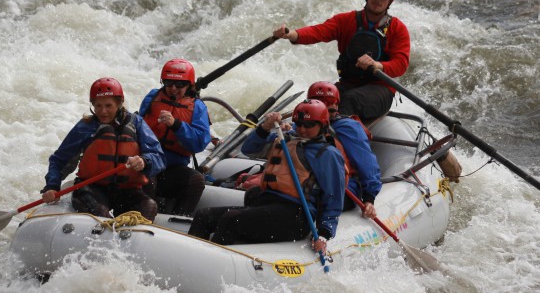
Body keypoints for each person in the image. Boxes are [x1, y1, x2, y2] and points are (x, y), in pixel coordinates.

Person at [187, 100, 345, 253]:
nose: (302, 129)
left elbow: (333, 199)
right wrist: (265, 127)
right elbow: (249, 149)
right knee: (204, 215)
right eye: (300, 124)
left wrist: (324, 234)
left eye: (309, 125)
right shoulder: (285, 138)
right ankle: (189, 260)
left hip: (295, 216)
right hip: (267, 204)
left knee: (231, 219)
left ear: (323, 125)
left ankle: (214, 264)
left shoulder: (327, 154)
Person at [272, 0, 409, 121]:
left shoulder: (397, 29)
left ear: (390, 1)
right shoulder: (346, 20)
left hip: (380, 90)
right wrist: (292, 34)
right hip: (348, 84)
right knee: (317, 98)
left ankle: (335, 139)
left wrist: (378, 65)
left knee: (350, 100)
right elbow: (318, 31)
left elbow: (401, 64)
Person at [41, 77, 166, 222]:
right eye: (98, 106)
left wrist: (145, 161)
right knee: (101, 215)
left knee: (149, 206)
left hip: (126, 190)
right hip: (92, 189)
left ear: (119, 103)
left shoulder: (136, 123)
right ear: (92, 105)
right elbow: (59, 160)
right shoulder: (85, 127)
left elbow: (158, 156)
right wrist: (52, 185)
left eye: (108, 106)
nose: (103, 111)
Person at [138, 58, 212, 216]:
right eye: (168, 83)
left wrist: (177, 125)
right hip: (148, 160)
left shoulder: (198, 107)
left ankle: (178, 220)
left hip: (173, 168)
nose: (173, 89)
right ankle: (151, 215)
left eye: (179, 85)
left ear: (189, 84)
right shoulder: (152, 97)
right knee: (147, 178)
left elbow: (199, 143)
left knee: (196, 181)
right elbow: (139, 126)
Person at [305, 81, 382, 218]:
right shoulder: (300, 125)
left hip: (342, 187)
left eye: (330, 101)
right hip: (305, 181)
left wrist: (369, 198)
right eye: (320, 101)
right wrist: (265, 129)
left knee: (308, 203)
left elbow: (366, 163)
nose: (325, 105)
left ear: (337, 104)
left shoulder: (348, 128)